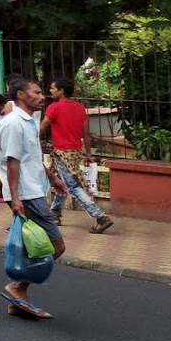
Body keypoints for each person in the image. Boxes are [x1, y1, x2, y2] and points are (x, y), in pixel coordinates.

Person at [0, 76, 70, 318]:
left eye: (41, 92)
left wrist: (52, 178)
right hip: (26, 193)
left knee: (34, 246)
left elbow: (31, 156)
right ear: (20, 95)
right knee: (55, 245)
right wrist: (15, 197)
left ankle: (17, 299)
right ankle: (17, 287)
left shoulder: (30, 120)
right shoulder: (14, 124)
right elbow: (12, 161)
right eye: (36, 92)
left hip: (33, 188)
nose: (42, 96)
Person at [42, 76, 114, 234]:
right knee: (62, 181)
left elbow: (41, 129)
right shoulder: (79, 108)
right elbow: (86, 134)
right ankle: (55, 212)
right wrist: (88, 153)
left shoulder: (54, 107)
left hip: (61, 151)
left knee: (72, 186)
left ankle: (100, 216)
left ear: (61, 91)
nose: (50, 91)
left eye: (53, 88)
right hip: (75, 151)